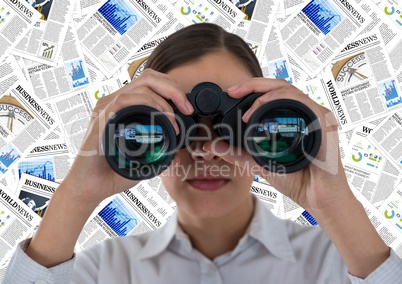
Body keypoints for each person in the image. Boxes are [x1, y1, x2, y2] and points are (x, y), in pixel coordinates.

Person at [3, 23, 402, 284]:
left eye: (242, 125)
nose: (208, 151)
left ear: (269, 115)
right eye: (175, 126)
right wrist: (76, 192)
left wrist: (334, 203)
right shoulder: (102, 270)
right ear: (133, 130)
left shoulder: (339, 264)